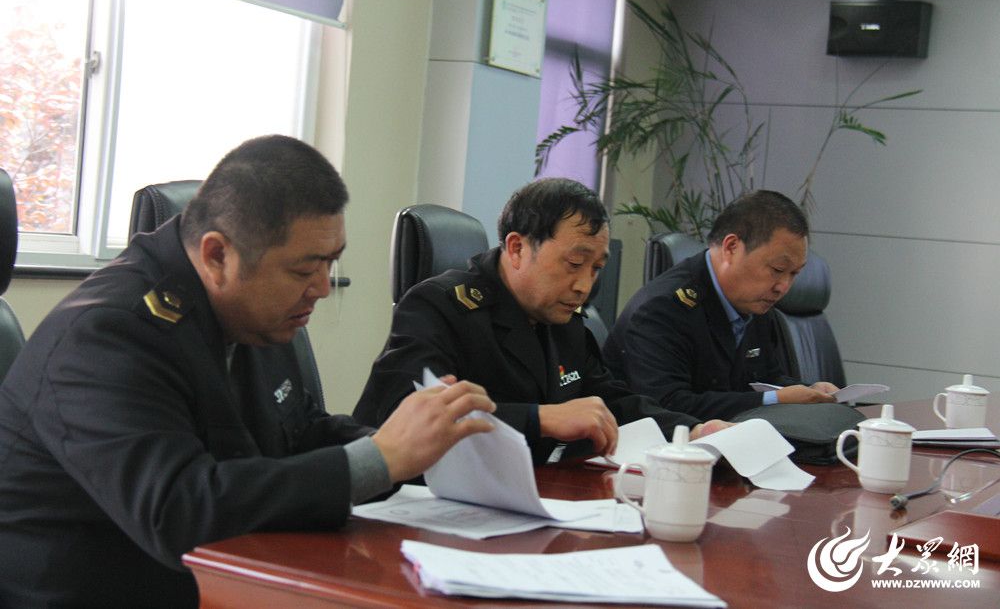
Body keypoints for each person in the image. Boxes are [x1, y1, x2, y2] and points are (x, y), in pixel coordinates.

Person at [0, 135, 496, 609]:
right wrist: (380, 459)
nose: (322, 288)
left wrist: (411, 444)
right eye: (304, 269)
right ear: (218, 255)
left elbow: (297, 433)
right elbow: (178, 510)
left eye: (331, 263)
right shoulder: (109, 334)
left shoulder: (251, 313)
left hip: (223, 584)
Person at [353, 177, 727, 465]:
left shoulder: (562, 317)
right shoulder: (440, 307)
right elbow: (408, 416)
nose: (584, 286)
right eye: (574, 263)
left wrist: (691, 429)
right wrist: (540, 418)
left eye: (596, 268)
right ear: (517, 248)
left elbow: (608, 399)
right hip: (420, 503)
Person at [603, 189, 840, 421]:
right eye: (778, 269)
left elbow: (766, 378)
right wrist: (775, 400)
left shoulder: (756, 304)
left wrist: (809, 391)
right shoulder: (662, 309)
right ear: (731, 247)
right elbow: (668, 406)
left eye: (794, 273)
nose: (783, 287)